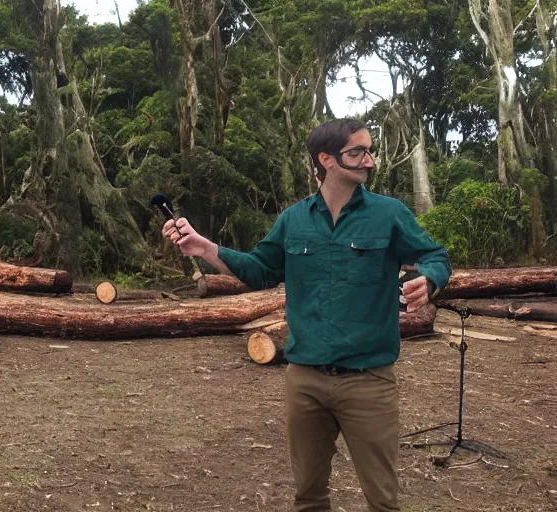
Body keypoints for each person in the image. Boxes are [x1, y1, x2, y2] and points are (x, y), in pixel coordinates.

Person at [163, 118, 451, 511]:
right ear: (326, 160)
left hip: (368, 381)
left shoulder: (389, 214)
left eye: (370, 150)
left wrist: (430, 280)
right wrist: (207, 249)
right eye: (358, 152)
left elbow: (435, 255)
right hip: (305, 380)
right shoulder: (294, 220)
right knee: (309, 496)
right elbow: (261, 269)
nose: (369, 160)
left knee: (383, 500)